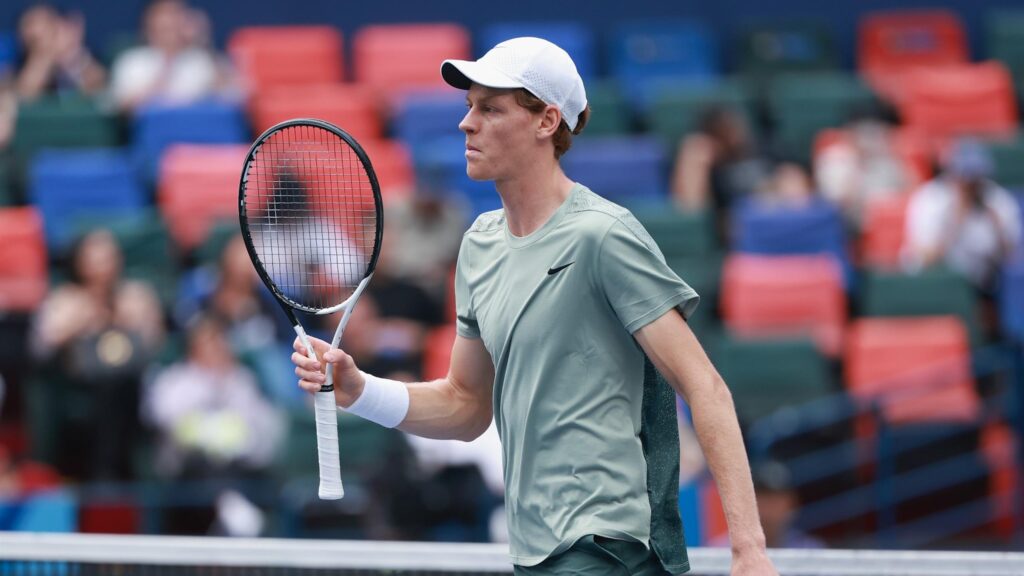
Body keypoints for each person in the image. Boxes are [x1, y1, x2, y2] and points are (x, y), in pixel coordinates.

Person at [292, 37, 777, 575]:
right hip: (534, 550)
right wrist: (360, 390)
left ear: (547, 121)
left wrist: (748, 550)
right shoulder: (478, 245)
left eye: (490, 108)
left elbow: (704, 385)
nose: (466, 124)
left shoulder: (602, 235)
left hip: (607, 545)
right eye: (469, 106)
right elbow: (465, 404)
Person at [902, 138, 1022, 295]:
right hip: (938, 282)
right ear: (952, 174)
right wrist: (956, 219)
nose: (971, 185)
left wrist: (996, 226)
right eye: (965, 178)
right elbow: (926, 260)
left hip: (987, 283)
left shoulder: (996, 199)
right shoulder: (931, 199)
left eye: (976, 178)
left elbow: (1013, 259)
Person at [108, 0, 221, 113]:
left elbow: (226, 98)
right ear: (149, 21)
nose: (171, 21)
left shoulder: (200, 59)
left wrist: (203, 41)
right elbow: (126, 108)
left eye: (176, 13)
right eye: (165, 14)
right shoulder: (132, 61)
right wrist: (168, 63)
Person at [14, 4, 106, 101]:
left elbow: (98, 83)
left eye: (51, 31)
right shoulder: (15, 67)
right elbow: (23, 96)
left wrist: (71, 56)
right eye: (33, 42)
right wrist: (43, 57)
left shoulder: (93, 60)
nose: (45, 42)